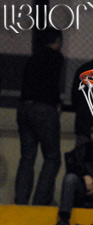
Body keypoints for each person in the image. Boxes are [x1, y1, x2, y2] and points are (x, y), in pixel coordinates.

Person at [15, 27, 64, 205]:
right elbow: (52, 83)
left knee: (27, 157)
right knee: (52, 157)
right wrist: (56, 103)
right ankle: (40, 202)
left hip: (24, 107)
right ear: (57, 41)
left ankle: (21, 201)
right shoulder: (56, 57)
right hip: (44, 108)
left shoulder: (33, 58)